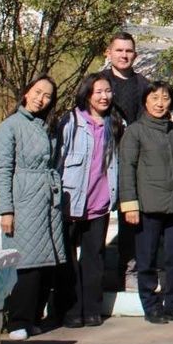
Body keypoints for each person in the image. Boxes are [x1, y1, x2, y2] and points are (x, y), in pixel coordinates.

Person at [119, 81, 173, 324]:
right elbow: (126, 169)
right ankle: (151, 306)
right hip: (147, 206)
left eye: (165, 98)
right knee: (147, 258)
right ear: (145, 101)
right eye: (154, 98)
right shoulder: (135, 131)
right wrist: (130, 204)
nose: (160, 103)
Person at [0, 76, 65, 339]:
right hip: (24, 199)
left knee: (47, 263)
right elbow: (3, 170)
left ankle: (34, 317)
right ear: (26, 92)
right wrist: (6, 210)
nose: (41, 99)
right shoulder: (10, 126)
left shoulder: (46, 126)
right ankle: (17, 321)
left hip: (47, 199)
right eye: (37, 92)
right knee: (26, 263)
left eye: (47, 96)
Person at [57, 74, 122, 329]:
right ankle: (72, 309)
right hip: (71, 200)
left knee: (94, 257)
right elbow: (58, 159)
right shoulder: (71, 121)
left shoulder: (114, 123)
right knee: (68, 259)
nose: (104, 97)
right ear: (87, 94)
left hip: (99, 202)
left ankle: (92, 309)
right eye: (98, 92)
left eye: (108, 91)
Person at [104, 32, 149, 126]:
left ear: (135, 55)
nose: (124, 56)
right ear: (109, 53)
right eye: (119, 50)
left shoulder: (144, 85)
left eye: (129, 51)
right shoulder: (97, 82)